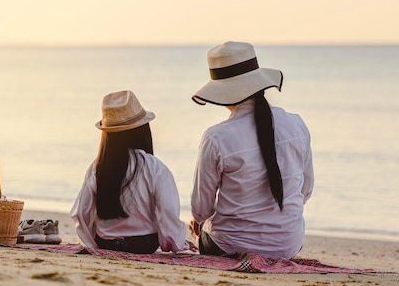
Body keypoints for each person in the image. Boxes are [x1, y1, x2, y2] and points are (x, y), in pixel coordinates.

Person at [189, 41, 314, 259]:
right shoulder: (296, 124)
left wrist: (200, 225)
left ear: (221, 94)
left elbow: (201, 210)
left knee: (204, 228)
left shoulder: (216, 137)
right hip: (288, 246)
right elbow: (306, 190)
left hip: (229, 246)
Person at [71, 90, 194, 254]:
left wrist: (92, 244)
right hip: (143, 246)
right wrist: (175, 244)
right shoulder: (154, 167)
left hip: (105, 243)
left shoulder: (97, 166)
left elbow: (81, 213)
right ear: (142, 129)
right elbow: (168, 212)